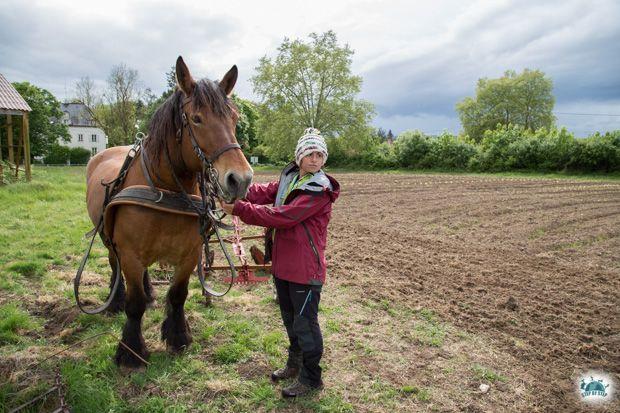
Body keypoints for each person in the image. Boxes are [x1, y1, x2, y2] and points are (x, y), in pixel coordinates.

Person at [219, 128, 340, 398]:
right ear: (299, 157)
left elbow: (284, 216)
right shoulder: (290, 178)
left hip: (305, 270)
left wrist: (239, 209)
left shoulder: (319, 188)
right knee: (290, 320)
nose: (314, 159)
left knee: (306, 325)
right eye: (309, 153)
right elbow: (264, 192)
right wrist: (237, 191)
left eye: (319, 154)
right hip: (283, 266)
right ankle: (294, 365)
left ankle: (311, 379)